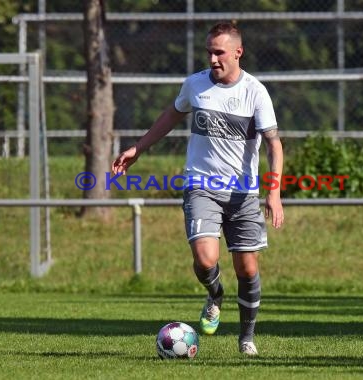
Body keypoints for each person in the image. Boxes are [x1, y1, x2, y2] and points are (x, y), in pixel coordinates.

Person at [112, 21, 284, 356]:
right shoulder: (195, 85)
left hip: (243, 193)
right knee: (206, 261)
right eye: (209, 52)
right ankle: (215, 294)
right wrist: (138, 148)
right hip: (200, 186)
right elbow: (170, 116)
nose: (213, 59)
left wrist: (273, 193)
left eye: (219, 52)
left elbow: (275, 146)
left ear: (238, 52)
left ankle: (246, 336)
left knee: (247, 269)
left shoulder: (255, 92)